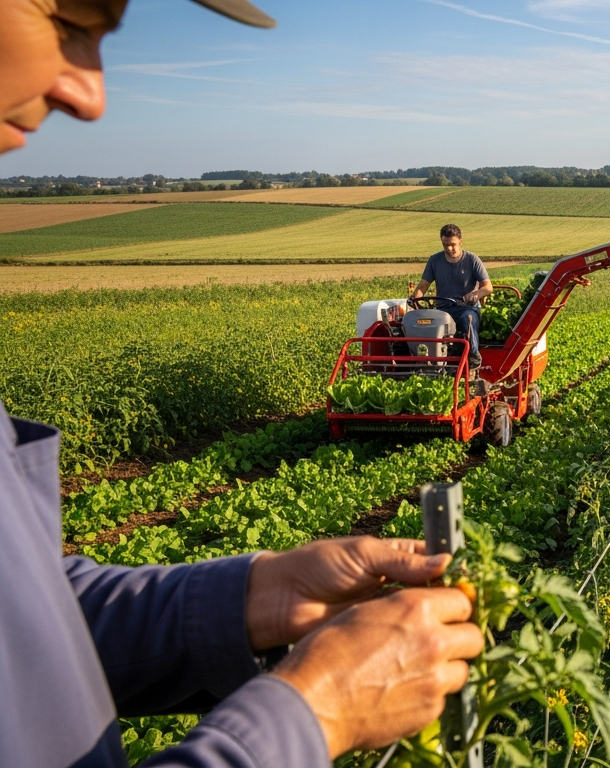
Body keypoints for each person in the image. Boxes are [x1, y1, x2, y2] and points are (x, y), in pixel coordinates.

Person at [1, 2, 484, 767]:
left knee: (464, 335)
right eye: (71, 19)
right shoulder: (431, 264)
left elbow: (17, 620)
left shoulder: (471, 264)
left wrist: (254, 597)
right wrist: (312, 713)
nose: (89, 94)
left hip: (462, 316)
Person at [411, 223, 493, 367]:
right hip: (442, 308)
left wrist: (476, 294)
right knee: (422, 324)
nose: (449, 248)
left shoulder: (472, 260)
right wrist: (415, 298)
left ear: (460, 241)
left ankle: (473, 356)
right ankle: (426, 359)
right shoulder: (435, 260)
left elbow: (488, 287)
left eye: (453, 244)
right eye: (445, 245)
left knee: (468, 320)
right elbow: (423, 286)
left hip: (466, 307)